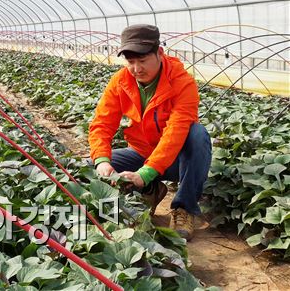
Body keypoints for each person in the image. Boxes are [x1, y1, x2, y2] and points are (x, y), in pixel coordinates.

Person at [88, 24, 212, 240]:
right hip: (140, 152)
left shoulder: (182, 83)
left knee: (198, 134)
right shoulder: (120, 82)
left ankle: (184, 208)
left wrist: (146, 173)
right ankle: (150, 191)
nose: (136, 69)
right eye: (131, 62)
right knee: (90, 167)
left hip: (176, 160)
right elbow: (102, 122)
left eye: (142, 61)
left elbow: (175, 132)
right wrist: (102, 161)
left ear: (159, 53)